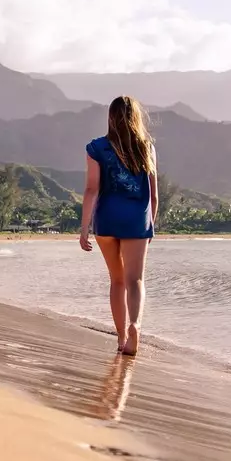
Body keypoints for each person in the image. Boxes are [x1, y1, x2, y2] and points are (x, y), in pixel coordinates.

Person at [80, 94, 158, 356]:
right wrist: (150, 226)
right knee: (135, 280)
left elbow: (92, 189)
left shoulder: (96, 148)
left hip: (107, 219)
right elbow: (154, 195)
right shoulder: (146, 147)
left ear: (110, 118)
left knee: (117, 281)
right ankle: (135, 325)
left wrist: (83, 229)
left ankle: (121, 338)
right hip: (137, 219)